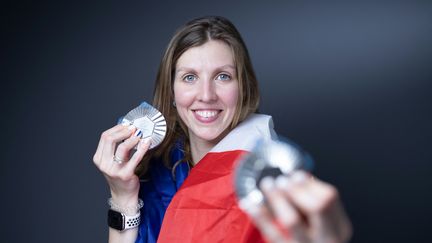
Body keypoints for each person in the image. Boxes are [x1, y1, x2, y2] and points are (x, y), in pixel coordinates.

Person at [93, 16, 352, 243]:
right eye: (190, 77)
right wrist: (122, 199)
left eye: (223, 76)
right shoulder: (153, 173)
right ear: (172, 90)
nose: (206, 95)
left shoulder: (276, 177)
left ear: (244, 88)